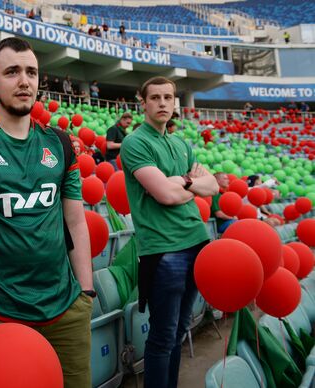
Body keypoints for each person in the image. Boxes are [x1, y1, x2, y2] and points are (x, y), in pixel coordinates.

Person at [0, 37, 93, 388]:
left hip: (66, 310)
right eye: (12, 71)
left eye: (31, 72)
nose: (24, 81)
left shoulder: (60, 143)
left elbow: (75, 220)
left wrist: (86, 293)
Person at [120, 76, 218, 388]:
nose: (163, 103)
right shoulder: (135, 142)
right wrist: (189, 183)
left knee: (179, 331)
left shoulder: (180, 143)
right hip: (164, 251)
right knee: (162, 336)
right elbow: (165, 195)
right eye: (156, 98)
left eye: (168, 97)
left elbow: (213, 185)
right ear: (143, 101)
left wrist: (182, 181)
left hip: (197, 243)